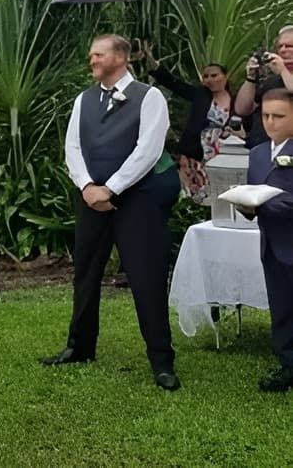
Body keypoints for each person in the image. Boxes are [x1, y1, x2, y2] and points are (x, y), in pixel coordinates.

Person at [42, 34, 181, 391]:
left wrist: (113, 187)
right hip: (91, 199)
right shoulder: (83, 100)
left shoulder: (149, 97)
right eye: (91, 54)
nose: (92, 60)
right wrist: (88, 186)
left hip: (137, 200)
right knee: (86, 273)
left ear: (121, 57)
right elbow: (72, 146)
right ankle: (79, 347)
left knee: (145, 276)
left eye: (98, 54)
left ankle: (161, 360)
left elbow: (148, 149)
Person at [237, 88, 293, 392]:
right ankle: (287, 364)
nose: (271, 122)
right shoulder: (258, 153)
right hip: (271, 244)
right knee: (281, 306)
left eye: (279, 116)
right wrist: (247, 206)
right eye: (266, 115)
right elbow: (253, 197)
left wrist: (269, 202)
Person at [138, 41, 234, 200]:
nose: (209, 79)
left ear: (225, 76)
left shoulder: (236, 99)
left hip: (223, 152)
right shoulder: (200, 95)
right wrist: (151, 62)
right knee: (196, 191)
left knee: (221, 190)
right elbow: (174, 83)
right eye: (206, 76)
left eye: (214, 75)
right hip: (195, 152)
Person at [234, 25, 293, 149]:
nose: (283, 50)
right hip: (261, 147)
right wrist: (250, 78)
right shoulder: (272, 81)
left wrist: (283, 70)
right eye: (280, 47)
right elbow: (243, 109)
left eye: (289, 46)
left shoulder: (282, 73)